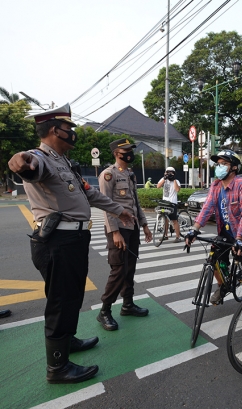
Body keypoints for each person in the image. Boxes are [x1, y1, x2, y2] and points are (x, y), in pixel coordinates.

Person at [7, 103, 133, 384]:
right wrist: (19, 158)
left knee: (72, 295)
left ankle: (68, 341)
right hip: (57, 242)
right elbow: (28, 165)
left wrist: (118, 209)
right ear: (55, 130)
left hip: (74, 239)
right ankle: (58, 368)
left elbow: (90, 195)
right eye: (69, 129)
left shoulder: (64, 162)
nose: (73, 133)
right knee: (61, 302)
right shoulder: (41, 158)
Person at [185, 149, 242, 305]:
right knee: (214, 258)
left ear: (234, 167)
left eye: (224, 164)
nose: (219, 167)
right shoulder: (216, 186)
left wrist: (240, 238)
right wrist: (194, 229)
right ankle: (222, 286)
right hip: (227, 232)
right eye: (218, 164)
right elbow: (207, 208)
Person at [96, 139, 153, 331]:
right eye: (125, 150)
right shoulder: (108, 175)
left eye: (130, 150)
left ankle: (127, 304)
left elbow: (135, 202)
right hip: (118, 228)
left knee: (130, 268)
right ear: (116, 153)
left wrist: (144, 224)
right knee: (119, 270)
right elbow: (106, 206)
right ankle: (104, 311)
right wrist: (114, 232)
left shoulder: (130, 174)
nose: (129, 153)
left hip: (133, 227)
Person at [156, 167, 182, 242]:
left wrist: (173, 179)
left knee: (174, 220)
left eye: (171, 173)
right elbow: (158, 186)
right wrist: (165, 178)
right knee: (165, 220)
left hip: (172, 203)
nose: (169, 174)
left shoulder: (176, 181)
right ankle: (165, 235)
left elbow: (177, 189)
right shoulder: (164, 179)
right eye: (168, 172)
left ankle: (178, 237)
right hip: (165, 203)